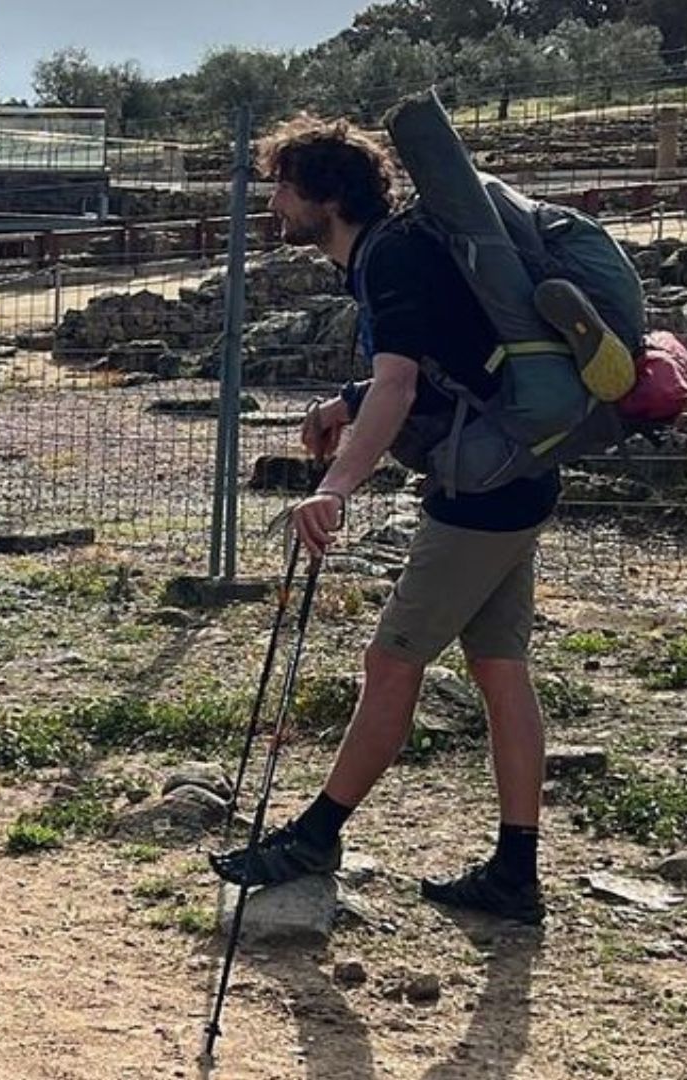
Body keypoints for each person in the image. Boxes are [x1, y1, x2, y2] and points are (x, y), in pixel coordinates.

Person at [210, 117, 556, 924]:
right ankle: (515, 872)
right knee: (501, 673)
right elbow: (447, 367)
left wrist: (332, 487)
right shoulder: (387, 255)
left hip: (480, 494)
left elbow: (402, 385)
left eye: (285, 188)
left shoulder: (392, 259)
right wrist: (347, 401)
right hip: (516, 474)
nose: (275, 204)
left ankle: (316, 836)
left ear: (327, 197)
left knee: (390, 661)